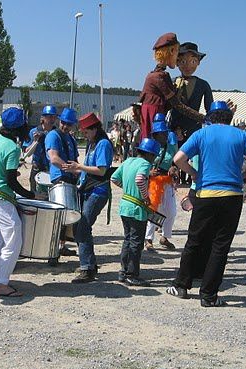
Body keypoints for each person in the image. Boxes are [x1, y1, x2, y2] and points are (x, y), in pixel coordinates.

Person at [166, 101, 246, 307]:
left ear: (210, 117)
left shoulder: (201, 135)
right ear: (228, 117)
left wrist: (195, 174)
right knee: (220, 246)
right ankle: (209, 295)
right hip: (232, 195)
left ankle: (181, 285)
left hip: (206, 193)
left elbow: (178, 158)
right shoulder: (241, 135)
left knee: (194, 241)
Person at [0, 107, 35, 297]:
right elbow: (12, 181)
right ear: (18, 128)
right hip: (2, 200)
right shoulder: (13, 148)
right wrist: (31, 195)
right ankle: (2, 284)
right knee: (14, 241)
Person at [63, 112, 114, 283]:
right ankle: (89, 264)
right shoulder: (93, 144)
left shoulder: (103, 144)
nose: (83, 135)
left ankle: (87, 268)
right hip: (88, 190)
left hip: (98, 191)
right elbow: (88, 169)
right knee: (80, 226)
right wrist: (75, 170)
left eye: (85, 132)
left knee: (82, 226)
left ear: (94, 129)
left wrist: (80, 167)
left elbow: (101, 170)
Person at [111, 138, 161, 286]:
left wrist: (127, 190)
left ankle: (123, 272)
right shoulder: (145, 164)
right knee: (136, 243)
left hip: (125, 206)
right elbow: (140, 179)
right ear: (151, 155)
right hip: (137, 208)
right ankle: (132, 274)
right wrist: (145, 196)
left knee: (127, 240)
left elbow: (114, 178)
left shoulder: (128, 161)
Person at [138, 33, 205, 139]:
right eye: (178, 52)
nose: (178, 57)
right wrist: (203, 118)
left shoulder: (162, 76)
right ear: (171, 52)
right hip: (154, 120)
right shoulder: (158, 77)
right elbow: (176, 105)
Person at [45, 107, 80, 258]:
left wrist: (78, 171)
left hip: (70, 179)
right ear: (60, 121)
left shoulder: (71, 138)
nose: (65, 126)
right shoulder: (53, 136)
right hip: (60, 179)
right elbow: (53, 158)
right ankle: (52, 251)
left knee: (66, 218)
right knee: (57, 218)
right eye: (64, 123)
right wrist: (72, 169)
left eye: (69, 124)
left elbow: (75, 159)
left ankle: (61, 246)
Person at [145, 119, 178, 251]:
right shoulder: (149, 147)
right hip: (154, 181)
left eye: (165, 133)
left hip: (167, 180)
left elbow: (176, 161)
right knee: (154, 210)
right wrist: (149, 171)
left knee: (171, 211)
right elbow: (141, 163)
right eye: (161, 134)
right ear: (155, 135)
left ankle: (165, 237)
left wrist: (174, 168)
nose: (164, 136)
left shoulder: (171, 147)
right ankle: (148, 239)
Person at [169, 42, 213, 142]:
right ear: (177, 62)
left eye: (192, 61)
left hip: (194, 131)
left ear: (198, 62)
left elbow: (210, 110)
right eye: (183, 62)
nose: (188, 66)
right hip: (174, 131)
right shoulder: (171, 82)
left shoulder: (203, 85)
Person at [25, 105, 56, 193]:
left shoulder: (56, 133)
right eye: (49, 117)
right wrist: (35, 141)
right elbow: (27, 152)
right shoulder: (34, 131)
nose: (52, 120)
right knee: (35, 195)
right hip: (37, 168)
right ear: (43, 118)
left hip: (51, 168)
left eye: (54, 117)